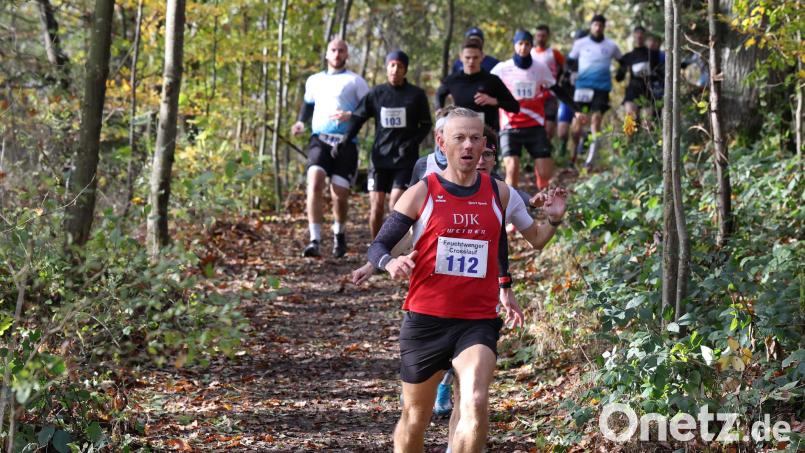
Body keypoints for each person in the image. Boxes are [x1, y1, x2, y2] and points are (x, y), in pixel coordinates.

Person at [367, 108, 524, 453]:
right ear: (441, 142)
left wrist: (552, 220)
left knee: (476, 402)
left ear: (484, 144)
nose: (468, 146)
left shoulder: (497, 192)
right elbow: (378, 244)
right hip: (425, 319)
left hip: (477, 320)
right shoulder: (422, 191)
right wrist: (389, 262)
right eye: (459, 138)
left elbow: (516, 236)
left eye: (475, 139)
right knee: (414, 418)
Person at [341, 50, 432, 238]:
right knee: (376, 208)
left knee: (395, 206)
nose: (395, 69)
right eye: (392, 65)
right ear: (386, 67)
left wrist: (412, 141)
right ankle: (377, 252)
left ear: (405, 69)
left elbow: (426, 124)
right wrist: (345, 139)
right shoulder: (376, 93)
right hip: (379, 158)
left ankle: (394, 248)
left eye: (400, 66)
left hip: (404, 160)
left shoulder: (416, 95)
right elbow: (358, 117)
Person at [291, 39, 369, 257]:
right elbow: (307, 106)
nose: (337, 54)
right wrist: (300, 123)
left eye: (341, 50)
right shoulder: (314, 80)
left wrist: (351, 116)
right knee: (314, 181)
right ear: (327, 54)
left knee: (339, 193)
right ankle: (314, 239)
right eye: (333, 50)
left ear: (347, 55)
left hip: (346, 142)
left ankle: (339, 234)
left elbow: (368, 109)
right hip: (319, 140)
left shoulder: (356, 81)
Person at [491, 29, 581, 190]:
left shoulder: (540, 68)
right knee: (511, 171)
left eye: (527, 44)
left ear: (531, 46)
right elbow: (484, 87)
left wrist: (576, 109)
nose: (523, 48)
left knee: (546, 174)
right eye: (520, 44)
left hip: (535, 125)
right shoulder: (502, 68)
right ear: (514, 45)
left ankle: (541, 194)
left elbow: (557, 90)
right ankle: (512, 211)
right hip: (510, 127)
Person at [567, 14, 623, 168]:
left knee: (596, 121)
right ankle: (573, 157)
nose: (598, 28)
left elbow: (622, 61)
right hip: (582, 87)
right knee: (577, 125)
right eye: (595, 25)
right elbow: (569, 61)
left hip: (601, 89)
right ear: (591, 26)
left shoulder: (611, 45)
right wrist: (570, 73)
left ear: (604, 27)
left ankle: (590, 160)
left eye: (601, 25)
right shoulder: (580, 43)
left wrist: (621, 73)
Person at [436, 38, 520, 133]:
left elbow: (515, 107)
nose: (471, 61)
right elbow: (439, 94)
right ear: (461, 57)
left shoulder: (492, 80)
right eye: (468, 57)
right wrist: (439, 109)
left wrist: (494, 101)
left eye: (475, 57)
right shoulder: (452, 80)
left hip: (487, 136)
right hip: (461, 134)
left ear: (482, 57)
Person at [616, 26, 664, 122]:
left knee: (648, 123)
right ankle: (630, 137)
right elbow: (618, 78)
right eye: (637, 33)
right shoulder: (628, 57)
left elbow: (664, 69)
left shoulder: (654, 54)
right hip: (632, 92)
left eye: (641, 33)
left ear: (645, 36)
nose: (639, 35)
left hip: (649, 92)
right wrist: (623, 69)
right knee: (630, 121)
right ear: (633, 36)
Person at [556, 29, 589, 162]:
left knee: (575, 132)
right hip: (567, 100)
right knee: (562, 132)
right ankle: (565, 147)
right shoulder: (567, 59)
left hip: (581, 101)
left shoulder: (590, 61)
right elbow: (557, 78)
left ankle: (573, 159)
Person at [530, 25, 566, 141]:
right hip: (533, 95)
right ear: (535, 36)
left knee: (549, 130)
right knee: (534, 126)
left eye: (543, 36)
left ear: (548, 37)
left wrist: (559, 81)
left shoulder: (554, 53)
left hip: (550, 95)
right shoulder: (530, 53)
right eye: (538, 36)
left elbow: (564, 69)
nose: (540, 38)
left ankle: (547, 150)